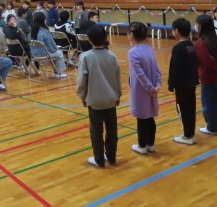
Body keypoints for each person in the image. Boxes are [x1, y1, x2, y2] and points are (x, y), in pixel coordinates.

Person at [77, 25, 121, 168]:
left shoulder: (86, 57)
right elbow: (117, 79)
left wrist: (82, 96)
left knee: (96, 131)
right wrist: (118, 95)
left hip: (94, 100)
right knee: (112, 129)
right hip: (111, 99)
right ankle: (111, 156)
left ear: (89, 39)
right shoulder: (112, 56)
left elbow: (82, 81)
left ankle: (99, 159)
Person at [127, 22, 162, 155]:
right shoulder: (149, 49)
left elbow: (140, 74)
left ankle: (142, 145)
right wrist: (157, 84)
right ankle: (150, 144)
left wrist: (150, 88)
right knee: (150, 117)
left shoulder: (133, 52)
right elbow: (157, 69)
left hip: (141, 90)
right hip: (152, 88)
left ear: (131, 35)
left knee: (141, 118)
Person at [168, 18, 198, 145]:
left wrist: (172, 84)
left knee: (183, 109)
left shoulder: (178, 48)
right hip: (191, 83)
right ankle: (190, 133)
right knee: (191, 108)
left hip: (182, 85)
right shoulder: (191, 45)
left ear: (177, 31)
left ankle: (188, 135)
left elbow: (175, 68)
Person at [30, 11, 67, 78]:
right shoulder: (44, 31)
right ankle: (58, 73)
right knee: (59, 53)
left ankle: (56, 72)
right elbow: (51, 44)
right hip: (43, 54)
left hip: (33, 53)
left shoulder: (32, 30)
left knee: (55, 54)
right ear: (43, 20)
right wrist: (56, 48)